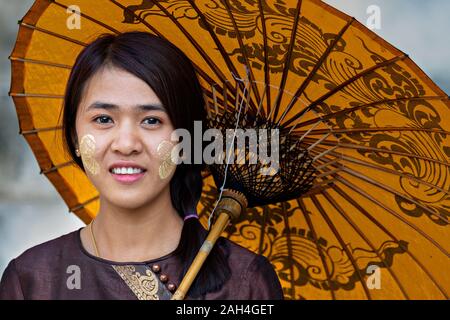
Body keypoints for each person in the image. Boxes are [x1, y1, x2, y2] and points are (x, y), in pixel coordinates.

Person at [0, 31, 283, 300]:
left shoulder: (246, 283)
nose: (126, 144)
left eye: (151, 121)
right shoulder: (31, 280)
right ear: (74, 136)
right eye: (103, 119)